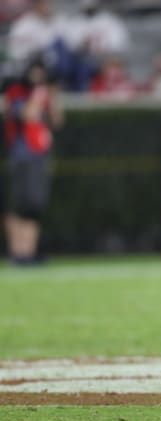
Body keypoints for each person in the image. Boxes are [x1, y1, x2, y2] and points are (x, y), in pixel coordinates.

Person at [4, 55, 63, 265]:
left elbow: (57, 121)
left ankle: (28, 251)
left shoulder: (43, 94)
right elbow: (28, 114)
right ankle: (19, 252)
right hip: (23, 155)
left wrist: (51, 96)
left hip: (40, 154)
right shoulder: (17, 92)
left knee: (35, 205)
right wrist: (39, 94)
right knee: (21, 205)